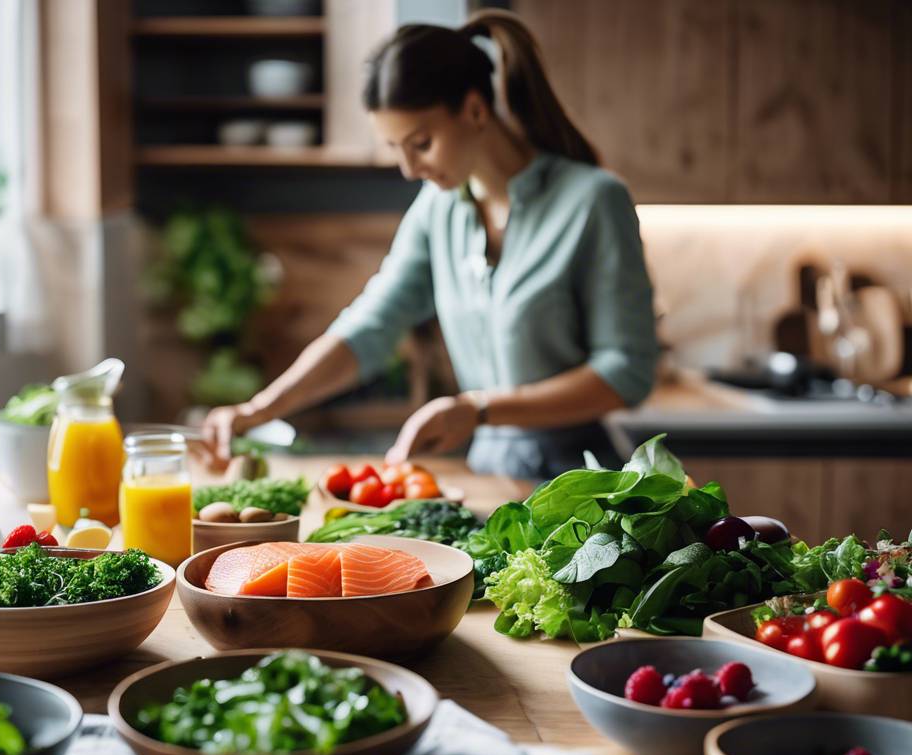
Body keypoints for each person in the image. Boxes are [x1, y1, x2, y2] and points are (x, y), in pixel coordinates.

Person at [201, 10, 658, 480]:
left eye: (420, 143)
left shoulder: (594, 200)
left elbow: (627, 372)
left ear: (476, 110)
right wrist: (258, 409)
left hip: (589, 483)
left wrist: (478, 408)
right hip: (493, 474)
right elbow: (370, 326)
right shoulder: (438, 208)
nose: (408, 168)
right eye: (395, 147)